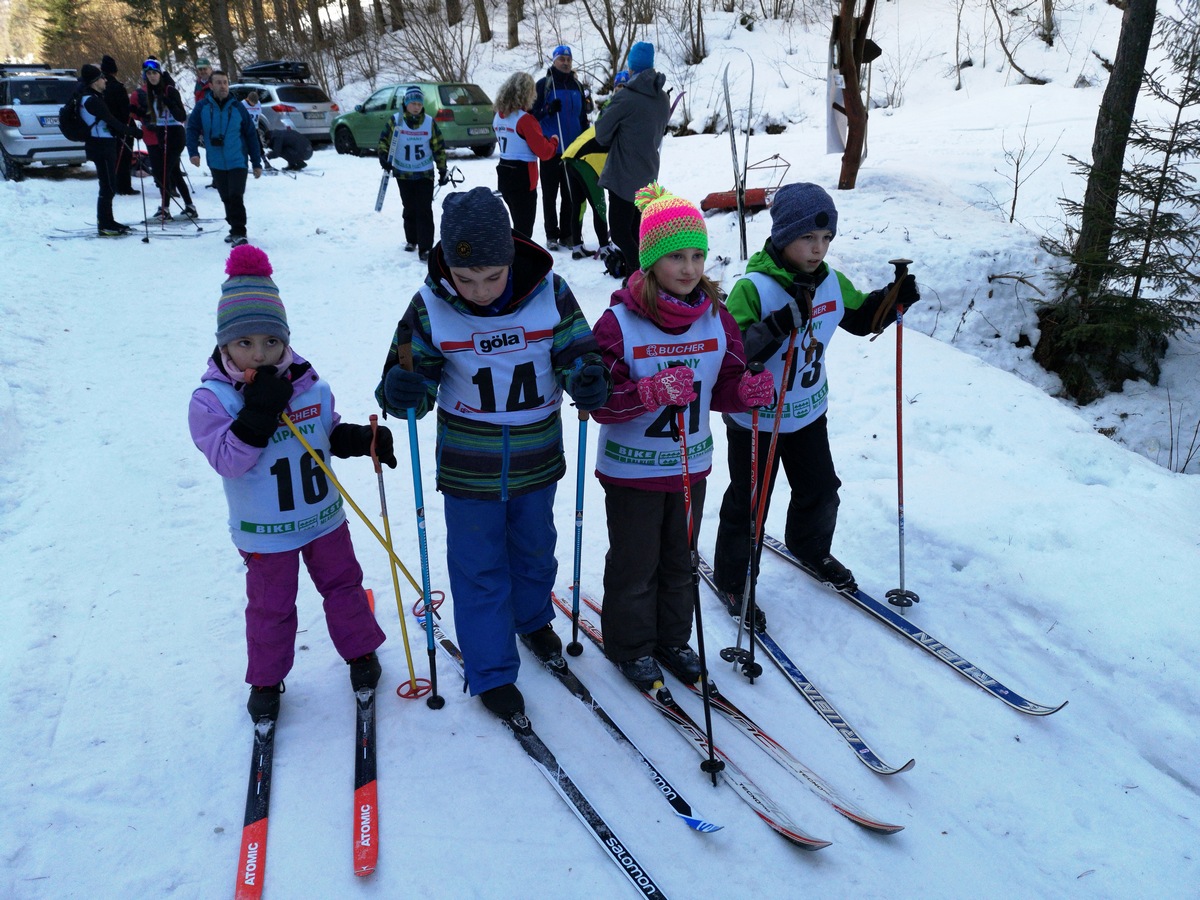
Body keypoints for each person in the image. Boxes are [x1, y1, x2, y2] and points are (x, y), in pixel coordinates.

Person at [376, 186, 611, 720]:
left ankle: (532, 621)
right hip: (469, 469)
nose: (479, 291)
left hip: (537, 459)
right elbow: (405, 376)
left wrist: (588, 379)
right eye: (466, 279)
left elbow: (579, 352)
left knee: (534, 551)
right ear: (446, 267)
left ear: (511, 254)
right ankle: (490, 670)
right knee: (478, 567)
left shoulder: (551, 292)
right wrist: (400, 391)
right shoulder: (431, 305)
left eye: (492, 276)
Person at [188, 243, 391, 722]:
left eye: (272, 342)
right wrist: (258, 411)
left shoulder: (308, 383)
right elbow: (227, 461)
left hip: (323, 518)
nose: (261, 354)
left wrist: (360, 440)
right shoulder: (212, 401)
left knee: (344, 585)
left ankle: (360, 651)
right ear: (224, 344)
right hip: (266, 533)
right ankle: (266, 677)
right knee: (271, 608)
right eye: (246, 343)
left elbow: (324, 431)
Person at [588, 184, 774, 690]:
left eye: (697, 255)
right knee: (635, 562)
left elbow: (726, 383)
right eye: (675, 256)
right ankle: (629, 645)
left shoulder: (716, 316)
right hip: (633, 469)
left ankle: (672, 638)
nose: (690, 268)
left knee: (680, 560)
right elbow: (597, 399)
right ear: (650, 260)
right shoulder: (619, 323)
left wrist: (747, 391)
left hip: (691, 465)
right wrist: (646, 392)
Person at [710, 183, 920, 629]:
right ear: (784, 235)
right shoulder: (754, 287)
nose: (817, 249)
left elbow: (862, 318)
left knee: (821, 489)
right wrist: (782, 322)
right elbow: (734, 354)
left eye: (826, 240)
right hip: (756, 419)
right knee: (750, 503)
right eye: (808, 238)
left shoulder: (830, 280)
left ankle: (809, 546)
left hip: (806, 411)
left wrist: (893, 297)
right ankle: (734, 579)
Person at [594, 42, 670, 279]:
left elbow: (601, 134)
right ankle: (637, 274)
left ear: (631, 67)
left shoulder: (625, 97)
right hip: (648, 173)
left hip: (623, 177)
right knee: (638, 230)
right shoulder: (662, 98)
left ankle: (640, 275)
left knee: (618, 232)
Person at [186, 71, 262, 246]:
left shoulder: (238, 107)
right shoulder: (202, 107)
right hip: (216, 161)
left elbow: (251, 135)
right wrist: (193, 152)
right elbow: (192, 129)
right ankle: (233, 227)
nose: (223, 86)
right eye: (218, 83)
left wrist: (256, 162)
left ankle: (240, 231)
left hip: (237, 160)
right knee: (226, 197)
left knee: (236, 195)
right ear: (211, 86)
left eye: (225, 82)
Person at [377, 86, 449, 261]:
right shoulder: (396, 120)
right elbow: (383, 142)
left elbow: (438, 147)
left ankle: (425, 248)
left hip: (424, 172)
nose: (416, 107)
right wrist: (384, 158)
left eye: (419, 103)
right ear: (406, 104)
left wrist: (442, 168)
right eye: (412, 103)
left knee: (424, 209)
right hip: (403, 173)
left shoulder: (429, 122)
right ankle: (411, 240)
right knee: (409, 208)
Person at [530, 45, 590, 252]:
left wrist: (585, 141)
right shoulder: (544, 85)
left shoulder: (577, 86)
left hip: (572, 150)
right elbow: (531, 116)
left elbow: (583, 118)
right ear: (554, 61)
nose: (565, 62)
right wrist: (547, 109)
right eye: (561, 59)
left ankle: (567, 233)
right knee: (549, 194)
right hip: (550, 149)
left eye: (568, 59)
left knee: (570, 194)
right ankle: (551, 234)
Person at [77, 63, 144, 236]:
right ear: (94, 81)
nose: (105, 80)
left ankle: (108, 221)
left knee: (109, 184)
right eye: (101, 77)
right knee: (107, 186)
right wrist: (132, 132)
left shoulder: (91, 97)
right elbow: (111, 120)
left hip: (102, 144)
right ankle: (105, 224)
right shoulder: (91, 100)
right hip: (101, 145)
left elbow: (108, 121)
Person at [492, 72, 559, 241]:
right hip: (523, 178)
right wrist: (553, 142)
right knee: (523, 231)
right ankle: (519, 263)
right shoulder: (525, 120)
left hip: (505, 173)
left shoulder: (498, 116)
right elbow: (544, 152)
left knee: (516, 225)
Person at [133, 59, 197, 220]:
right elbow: (155, 117)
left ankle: (165, 209)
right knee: (174, 172)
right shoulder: (150, 93)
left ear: (160, 74)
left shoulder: (170, 90)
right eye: (149, 74)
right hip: (162, 134)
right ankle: (190, 206)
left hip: (175, 134)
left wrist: (169, 103)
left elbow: (182, 116)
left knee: (163, 172)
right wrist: (138, 111)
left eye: (154, 73)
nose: (152, 77)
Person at [100, 55, 136, 195]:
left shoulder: (98, 86)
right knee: (124, 157)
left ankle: (112, 184)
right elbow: (125, 110)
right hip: (121, 126)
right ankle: (124, 186)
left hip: (105, 127)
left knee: (110, 157)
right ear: (114, 71)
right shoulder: (117, 87)